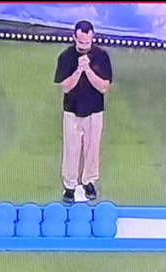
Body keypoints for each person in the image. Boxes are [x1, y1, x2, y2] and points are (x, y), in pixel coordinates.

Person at [54, 21, 113, 205]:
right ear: (74, 38)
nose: (84, 45)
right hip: (72, 110)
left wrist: (88, 70)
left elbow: (104, 87)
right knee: (71, 149)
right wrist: (79, 70)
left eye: (87, 42)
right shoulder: (66, 57)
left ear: (92, 38)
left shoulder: (101, 57)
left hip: (94, 110)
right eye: (80, 42)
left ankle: (89, 182)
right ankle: (70, 185)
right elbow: (65, 87)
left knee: (92, 148)